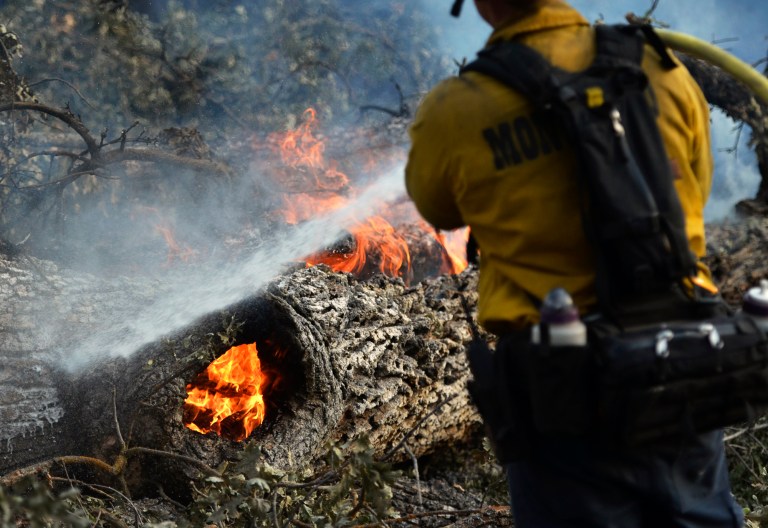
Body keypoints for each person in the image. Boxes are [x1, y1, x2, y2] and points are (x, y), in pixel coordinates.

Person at [405, 0, 745, 526]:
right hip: (684, 362)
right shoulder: (664, 70)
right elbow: (692, 195)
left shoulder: (455, 108)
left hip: (562, 393)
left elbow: (437, 208)